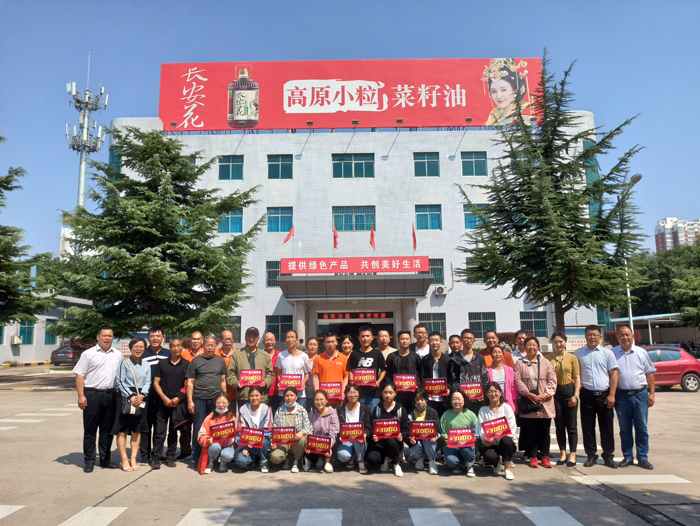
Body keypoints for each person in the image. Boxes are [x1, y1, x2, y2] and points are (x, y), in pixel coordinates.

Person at [73, 326, 123, 473]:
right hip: (92, 395)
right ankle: (89, 460)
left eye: (110, 336)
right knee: (90, 429)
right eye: (104, 335)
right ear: (98, 337)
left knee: (107, 430)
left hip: (112, 395)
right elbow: (80, 375)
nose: (107, 338)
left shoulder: (118, 355)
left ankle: (105, 459)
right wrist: (81, 395)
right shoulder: (88, 354)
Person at [575, 325, 620, 469]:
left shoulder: (607, 353)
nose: (592, 337)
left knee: (607, 427)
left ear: (600, 337)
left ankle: (608, 456)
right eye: (589, 334)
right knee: (588, 427)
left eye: (595, 335)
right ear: (585, 336)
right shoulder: (578, 353)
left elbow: (614, 375)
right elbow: (575, 374)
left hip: (604, 395)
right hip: (586, 395)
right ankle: (591, 455)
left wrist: (612, 394)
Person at [612, 326, 656, 470]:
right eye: (622, 335)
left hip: (640, 395)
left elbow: (649, 373)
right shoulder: (612, 354)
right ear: (617, 337)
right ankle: (628, 457)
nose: (625, 337)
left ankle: (642, 458)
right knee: (625, 429)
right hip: (621, 396)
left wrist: (652, 393)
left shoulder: (641, 352)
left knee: (641, 427)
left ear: (633, 336)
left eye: (627, 335)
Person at [514, 336, 557, 468]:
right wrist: (528, 394)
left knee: (545, 432)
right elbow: (517, 380)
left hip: (545, 402)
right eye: (529, 345)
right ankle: (533, 456)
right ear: (524, 347)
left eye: (534, 345)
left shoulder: (546, 362)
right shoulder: (520, 363)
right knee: (530, 432)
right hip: (529, 402)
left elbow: (552, 380)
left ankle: (545, 456)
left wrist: (545, 395)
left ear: (538, 347)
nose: (531, 347)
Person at [186, 336, 228, 464]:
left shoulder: (220, 361)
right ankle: (197, 457)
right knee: (199, 428)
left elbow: (223, 381)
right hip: (199, 398)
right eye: (208, 345)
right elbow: (190, 383)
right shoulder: (196, 361)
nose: (210, 347)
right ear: (203, 346)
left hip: (216, 401)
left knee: (217, 428)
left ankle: (214, 456)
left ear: (216, 346)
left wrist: (225, 399)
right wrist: (190, 401)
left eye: (212, 345)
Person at [112, 338, 151, 472]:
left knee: (136, 430)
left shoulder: (146, 364)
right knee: (122, 430)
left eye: (141, 346)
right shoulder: (124, 363)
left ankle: (133, 458)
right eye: (136, 346)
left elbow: (148, 381)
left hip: (140, 398)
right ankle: (124, 459)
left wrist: (142, 395)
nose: (138, 349)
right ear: (131, 348)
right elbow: (120, 381)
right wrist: (131, 396)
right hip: (125, 398)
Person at [152, 338, 190, 468]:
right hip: (162, 403)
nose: (176, 348)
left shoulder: (187, 364)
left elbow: (188, 385)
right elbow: (156, 383)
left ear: (182, 347)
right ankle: (156, 457)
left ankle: (170, 456)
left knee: (173, 431)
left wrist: (179, 398)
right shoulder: (162, 363)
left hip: (178, 404)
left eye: (178, 345)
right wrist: (164, 398)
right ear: (170, 348)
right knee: (159, 431)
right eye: (173, 346)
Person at [546, 331, 581, 467]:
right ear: (552, 343)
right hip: (555, 393)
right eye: (555, 342)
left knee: (571, 425)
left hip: (569, 391)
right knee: (559, 425)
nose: (558, 344)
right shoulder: (548, 358)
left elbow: (577, 377)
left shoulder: (572, 358)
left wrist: (575, 395)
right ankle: (563, 454)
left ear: (565, 342)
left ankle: (572, 454)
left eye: (560, 341)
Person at [140, 327, 170, 468]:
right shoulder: (142, 354)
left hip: (163, 397)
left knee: (160, 427)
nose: (155, 338)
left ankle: (157, 454)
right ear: (148, 338)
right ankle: (144, 454)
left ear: (163, 338)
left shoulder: (168, 354)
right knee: (145, 426)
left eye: (158, 336)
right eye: (152, 336)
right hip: (146, 396)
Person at [367, 381, 410, 477]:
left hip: (394, 443)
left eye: (390, 393)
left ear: (395, 393)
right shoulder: (377, 409)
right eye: (385, 392)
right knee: (372, 459)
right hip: (380, 443)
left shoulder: (400, 409)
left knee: (391, 441)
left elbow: (406, 428)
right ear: (381, 393)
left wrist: (402, 435)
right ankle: (385, 458)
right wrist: (374, 435)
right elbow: (372, 427)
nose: (388, 395)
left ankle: (396, 463)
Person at [227, 327, 275, 411]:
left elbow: (270, 373)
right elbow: (230, 374)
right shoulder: (236, 355)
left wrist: (266, 382)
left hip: (261, 397)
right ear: (245, 337)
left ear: (258, 339)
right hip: (243, 396)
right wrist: (237, 384)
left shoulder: (265, 355)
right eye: (249, 336)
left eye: (254, 337)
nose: (251, 339)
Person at [478, 382, 517, 480]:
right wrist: (486, 439)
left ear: (500, 393)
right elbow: (481, 429)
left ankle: (507, 469)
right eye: (490, 392)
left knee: (506, 440)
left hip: (506, 442)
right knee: (489, 457)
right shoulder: (483, 410)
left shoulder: (507, 408)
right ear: (486, 394)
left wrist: (495, 440)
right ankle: (498, 463)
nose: (493, 394)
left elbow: (511, 429)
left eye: (495, 391)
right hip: (490, 443)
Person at [270, 387, 313, 472]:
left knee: (302, 439)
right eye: (287, 396)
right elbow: (274, 429)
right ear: (284, 397)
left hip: (296, 442)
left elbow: (309, 428)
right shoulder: (279, 411)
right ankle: (287, 457)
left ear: (296, 397)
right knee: (275, 457)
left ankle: (296, 460)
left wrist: (301, 433)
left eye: (292, 395)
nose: (289, 398)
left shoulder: (302, 410)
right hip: (283, 442)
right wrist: (274, 441)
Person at [481, 58, 533, 126]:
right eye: (494, 91)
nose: (498, 96)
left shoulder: (526, 121)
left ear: (515, 91)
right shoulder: (490, 122)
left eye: (503, 90)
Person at [448, 329, 488, 414]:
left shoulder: (480, 358)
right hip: (461, 400)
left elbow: (484, 377)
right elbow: (453, 380)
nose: (468, 341)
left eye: (471, 338)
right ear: (461, 340)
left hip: (478, 400)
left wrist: (484, 394)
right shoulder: (454, 359)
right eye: (466, 338)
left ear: (474, 340)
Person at [440, 389, 478, 477]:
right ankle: (457, 465)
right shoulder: (446, 415)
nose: (456, 401)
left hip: (467, 446)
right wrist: (445, 437)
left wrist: (474, 437)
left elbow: (477, 432)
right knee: (451, 461)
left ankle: (469, 465)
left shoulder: (471, 415)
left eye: (459, 399)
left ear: (464, 399)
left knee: (466, 449)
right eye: (454, 399)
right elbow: (442, 432)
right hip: (451, 446)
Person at [348, 325, 386, 412]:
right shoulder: (354, 353)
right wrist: (352, 382)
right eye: (363, 336)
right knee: (359, 417)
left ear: (372, 337)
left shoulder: (377, 353)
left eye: (367, 336)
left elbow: (384, 369)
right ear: (359, 338)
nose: (365, 338)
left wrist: (378, 381)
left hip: (373, 394)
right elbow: (350, 369)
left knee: (373, 416)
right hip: (358, 393)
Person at [197, 392, 237, 474]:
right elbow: (201, 435)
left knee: (228, 455)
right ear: (215, 403)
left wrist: (231, 437)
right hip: (214, 445)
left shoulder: (232, 418)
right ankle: (211, 461)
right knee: (214, 447)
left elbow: (236, 435)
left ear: (228, 403)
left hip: (227, 445)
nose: (221, 405)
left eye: (224, 403)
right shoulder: (209, 418)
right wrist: (207, 440)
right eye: (218, 403)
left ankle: (223, 461)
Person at [235, 386, 273, 472]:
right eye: (251, 396)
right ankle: (253, 460)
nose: (254, 398)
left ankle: (264, 462)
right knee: (242, 462)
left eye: (257, 395)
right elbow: (240, 431)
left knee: (263, 440)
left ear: (262, 396)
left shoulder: (267, 409)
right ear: (249, 397)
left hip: (262, 441)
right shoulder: (243, 409)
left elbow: (268, 429)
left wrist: (255, 439)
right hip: (247, 442)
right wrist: (246, 445)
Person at [336, 384, 371, 474]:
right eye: (350, 392)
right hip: (347, 440)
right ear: (346, 394)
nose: (352, 395)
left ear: (359, 393)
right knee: (343, 456)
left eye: (355, 392)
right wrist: (340, 436)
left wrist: (365, 434)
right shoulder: (340, 410)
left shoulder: (365, 408)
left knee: (359, 439)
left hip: (360, 440)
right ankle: (352, 457)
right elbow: (337, 427)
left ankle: (360, 461)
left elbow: (368, 426)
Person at [406, 387, 441, 475]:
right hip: (417, 442)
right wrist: (410, 439)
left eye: (422, 399)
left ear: (426, 399)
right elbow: (407, 431)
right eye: (417, 399)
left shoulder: (433, 412)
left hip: (429, 442)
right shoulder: (410, 414)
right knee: (414, 448)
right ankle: (420, 458)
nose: (419, 402)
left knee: (428, 438)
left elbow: (438, 430)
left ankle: (432, 462)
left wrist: (436, 436)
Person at [385, 330, 422, 412]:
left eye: (406, 339)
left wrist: (418, 386)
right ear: (398, 341)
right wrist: (391, 388)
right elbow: (387, 375)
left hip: (412, 394)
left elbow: (420, 374)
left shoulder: (415, 357)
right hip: (397, 394)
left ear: (410, 341)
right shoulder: (392, 357)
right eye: (402, 339)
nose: (404, 341)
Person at [276, 330, 312, 409]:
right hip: (284, 394)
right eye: (288, 337)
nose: (290, 339)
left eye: (292, 337)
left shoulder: (304, 356)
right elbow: (279, 372)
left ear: (297, 340)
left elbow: (307, 373)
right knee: (283, 416)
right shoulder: (281, 355)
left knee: (300, 416)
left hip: (300, 395)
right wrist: (280, 382)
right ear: (285, 340)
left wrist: (303, 382)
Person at [306, 390, 340, 473]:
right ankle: (317, 459)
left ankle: (328, 461)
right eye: (316, 400)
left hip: (329, 443)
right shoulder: (311, 414)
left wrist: (328, 446)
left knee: (335, 441)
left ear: (326, 400)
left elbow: (334, 433)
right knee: (307, 452)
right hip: (316, 444)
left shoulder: (333, 413)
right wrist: (309, 445)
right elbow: (309, 431)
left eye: (321, 399)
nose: (319, 402)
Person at [312, 332, 349, 405]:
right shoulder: (318, 358)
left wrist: (342, 391)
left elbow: (346, 377)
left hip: (338, 398)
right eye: (328, 342)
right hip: (323, 399)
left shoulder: (344, 358)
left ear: (336, 343)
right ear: (324, 344)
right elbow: (315, 377)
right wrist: (317, 392)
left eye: (332, 341)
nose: (331, 344)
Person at [421, 331, 451, 417]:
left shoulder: (447, 360)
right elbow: (421, 377)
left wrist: (449, 388)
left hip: (443, 398)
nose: (434, 343)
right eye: (431, 340)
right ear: (428, 343)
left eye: (436, 340)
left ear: (441, 342)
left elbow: (450, 378)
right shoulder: (425, 360)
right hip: (429, 398)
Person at [487, 345, 519, 414]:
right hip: (493, 403)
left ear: (503, 355)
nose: (497, 354)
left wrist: (515, 403)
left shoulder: (509, 370)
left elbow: (513, 388)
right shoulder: (487, 370)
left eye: (499, 352)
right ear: (491, 355)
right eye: (494, 352)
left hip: (507, 403)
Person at [262, 332, 282, 413]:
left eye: (271, 340)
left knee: (278, 417)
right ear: (263, 342)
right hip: (263, 393)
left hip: (278, 392)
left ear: (275, 341)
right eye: (267, 340)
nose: (269, 342)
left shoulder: (281, 355)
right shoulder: (259, 356)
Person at [219, 330, 237, 402]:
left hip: (234, 392)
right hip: (219, 393)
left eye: (230, 339)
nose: (228, 341)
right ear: (221, 340)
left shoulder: (238, 354)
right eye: (226, 339)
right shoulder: (215, 354)